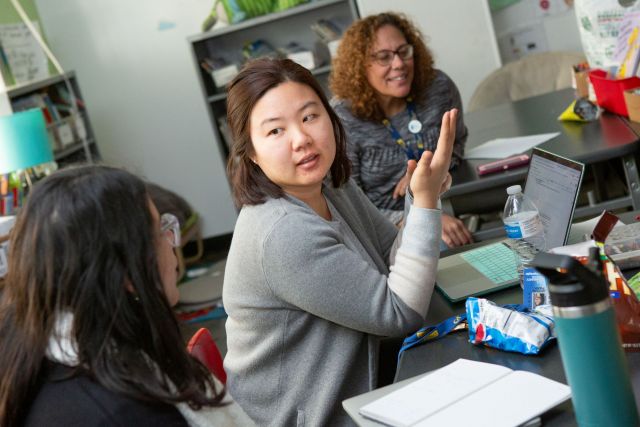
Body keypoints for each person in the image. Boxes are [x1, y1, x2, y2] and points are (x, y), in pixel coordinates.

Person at [223, 57, 456, 426]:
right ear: (250, 152)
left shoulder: (332, 185)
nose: (302, 139)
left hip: (368, 380)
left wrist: (420, 194)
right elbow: (398, 313)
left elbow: (387, 255)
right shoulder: (282, 233)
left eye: (309, 117)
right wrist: (426, 205)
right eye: (275, 131)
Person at [0, 165, 247, 426]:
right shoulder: (129, 412)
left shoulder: (34, 351)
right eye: (161, 231)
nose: (171, 242)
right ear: (126, 271)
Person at [330, 12, 473, 248]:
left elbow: (456, 145)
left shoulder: (438, 88)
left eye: (403, 52)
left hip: (447, 202)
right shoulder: (343, 119)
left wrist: (422, 176)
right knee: (443, 247)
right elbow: (350, 203)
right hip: (387, 226)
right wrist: (420, 220)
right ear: (360, 66)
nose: (398, 64)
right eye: (383, 57)